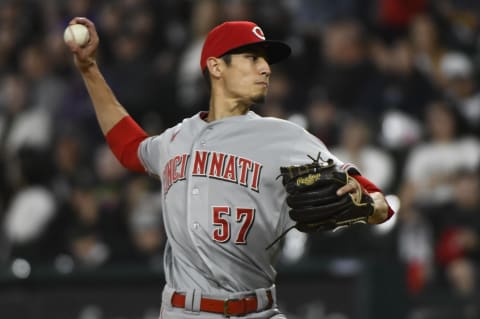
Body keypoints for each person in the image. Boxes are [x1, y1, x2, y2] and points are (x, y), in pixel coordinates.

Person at [66, 17, 394, 319]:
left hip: (257, 310)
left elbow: (378, 200)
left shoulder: (284, 137)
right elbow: (128, 147)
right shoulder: (176, 138)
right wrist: (90, 68)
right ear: (216, 67)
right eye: (252, 58)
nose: (266, 69)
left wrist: (367, 205)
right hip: (184, 311)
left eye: (266, 61)